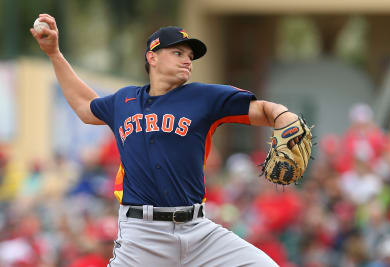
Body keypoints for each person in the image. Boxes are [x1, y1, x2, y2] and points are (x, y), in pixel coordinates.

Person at [31, 13, 303, 267]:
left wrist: (284, 116)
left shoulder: (204, 97)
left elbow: (264, 110)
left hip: (199, 231)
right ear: (152, 57)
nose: (187, 60)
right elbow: (84, 105)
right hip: (142, 235)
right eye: (177, 52)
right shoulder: (124, 101)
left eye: (190, 56)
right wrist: (54, 53)